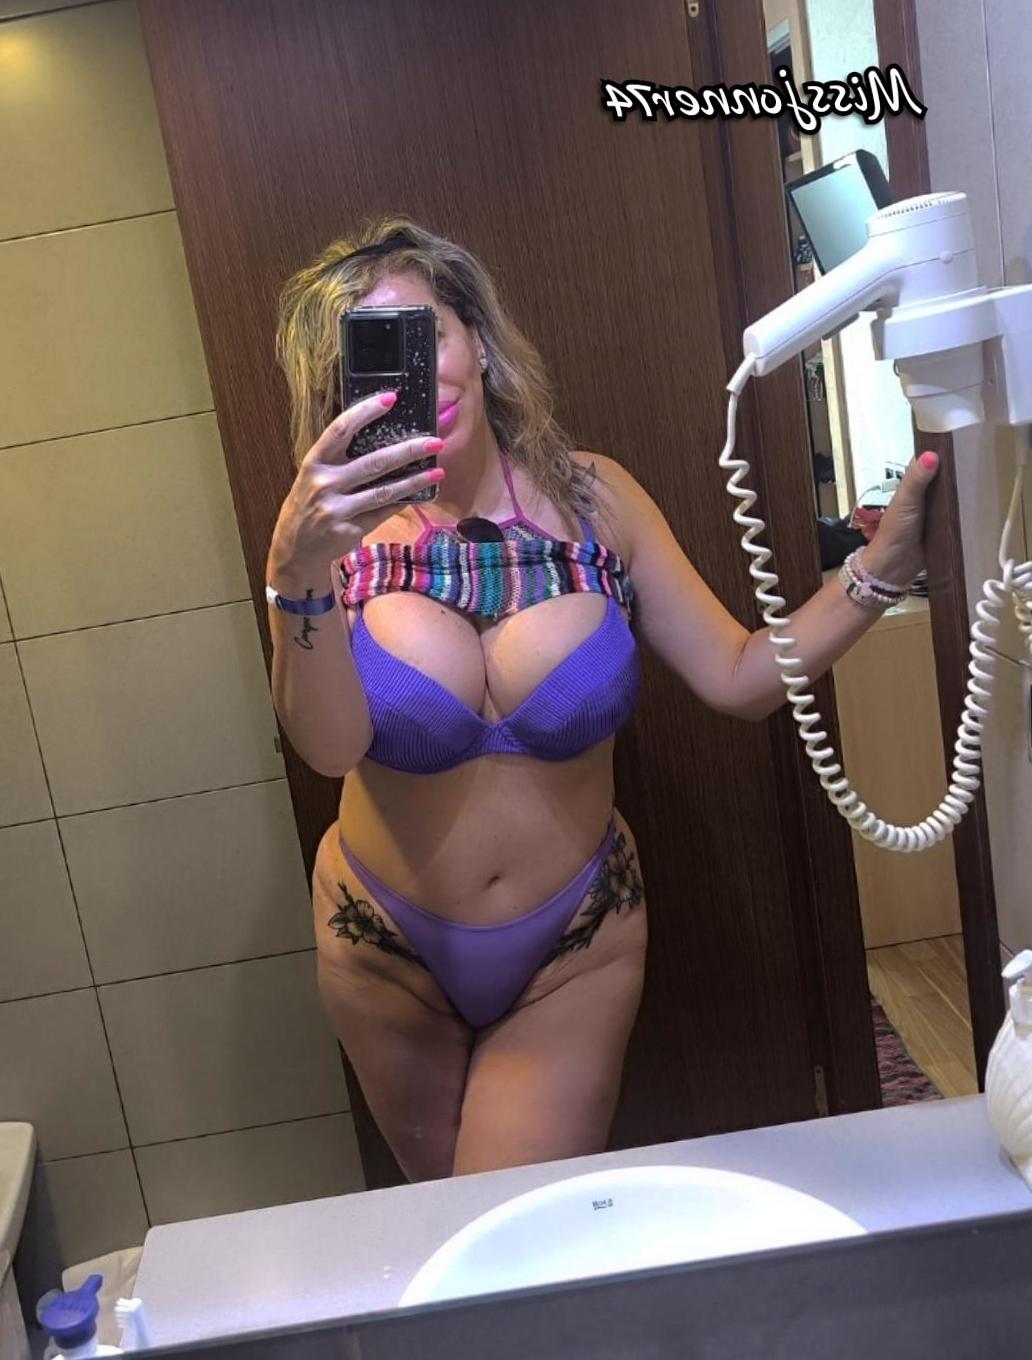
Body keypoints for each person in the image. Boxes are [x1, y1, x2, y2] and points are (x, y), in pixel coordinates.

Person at [266, 216, 938, 1182]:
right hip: (381, 944)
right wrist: (295, 572)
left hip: (572, 945)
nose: (407, 376)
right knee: (449, 1241)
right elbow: (330, 749)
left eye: (422, 335)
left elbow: (740, 675)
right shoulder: (329, 542)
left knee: (514, 1233)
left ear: (476, 340)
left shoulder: (596, 500)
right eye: (369, 360)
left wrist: (880, 572)